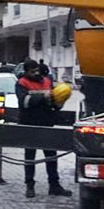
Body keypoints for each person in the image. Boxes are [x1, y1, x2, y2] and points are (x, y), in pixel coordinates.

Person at [15, 60, 72, 198]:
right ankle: (30, 185)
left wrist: (59, 100)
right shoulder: (21, 83)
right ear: (26, 71)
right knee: (30, 157)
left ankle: (54, 185)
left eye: (37, 70)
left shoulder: (47, 81)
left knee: (51, 156)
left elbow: (53, 102)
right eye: (32, 71)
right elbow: (24, 102)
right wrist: (42, 97)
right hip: (29, 124)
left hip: (47, 122)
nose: (36, 73)